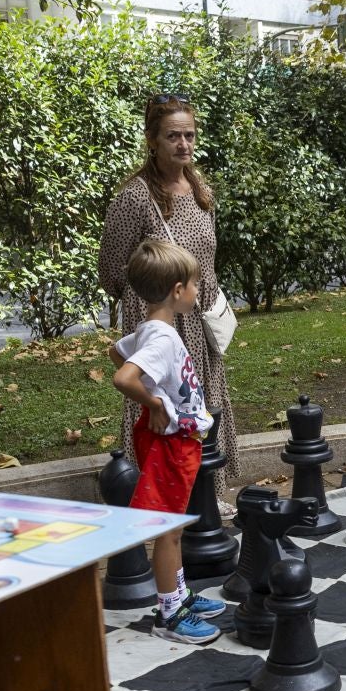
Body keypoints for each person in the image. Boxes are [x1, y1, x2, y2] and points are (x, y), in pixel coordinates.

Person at [99, 95, 240, 487]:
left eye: (189, 135)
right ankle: (153, 489)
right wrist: (150, 298)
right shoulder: (135, 197)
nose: (183, 144)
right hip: (161, 314)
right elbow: (112, 269)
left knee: (200, 397)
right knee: (162, 396)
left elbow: (208, 256)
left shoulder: (200, 190)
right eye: (173, 135)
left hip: (200, 310)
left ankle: (206, 490)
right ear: (152, 140)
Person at [108, 240, 224, 645]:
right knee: (169, 529)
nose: (197, 291)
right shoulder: (163, 338)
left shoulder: (150, 330)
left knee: (172, 526)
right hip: (172, 442)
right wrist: (155, 402)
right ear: (177, 291)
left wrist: (154, 394)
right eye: (194, 284)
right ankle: (170, 614)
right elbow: (123, 377)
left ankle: (179, 594)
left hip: (178, 439)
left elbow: (116, 352)